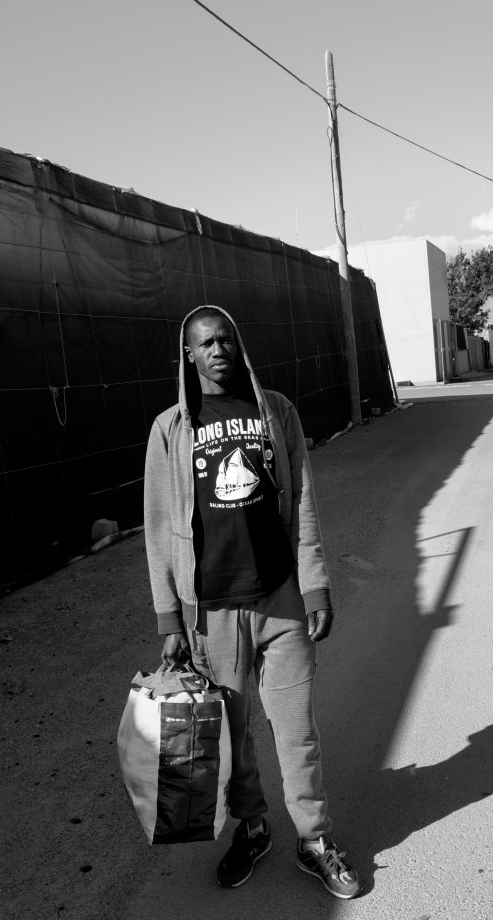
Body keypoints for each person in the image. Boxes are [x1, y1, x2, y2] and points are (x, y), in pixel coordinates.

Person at [144, 304, 362, 900]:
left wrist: (314, 583)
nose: (218, 350)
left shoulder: (276, 412)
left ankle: (315, 840)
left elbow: (306, 504)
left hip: (281, 600)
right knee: (234, 736)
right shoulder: (170, 430)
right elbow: (160, 527)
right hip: (212, 612)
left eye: (226, 340)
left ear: (239, 345)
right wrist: (170, 617)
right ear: (188, 355)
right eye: (205, 344)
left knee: (297, 731)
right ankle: (253, 825)